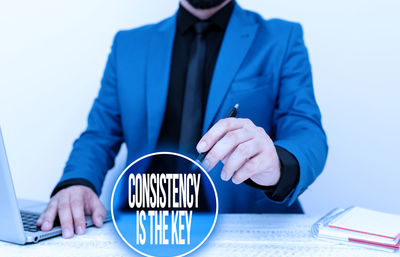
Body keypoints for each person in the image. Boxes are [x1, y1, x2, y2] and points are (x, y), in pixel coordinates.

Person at [37, 0, 328, 238]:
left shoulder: (281, 38)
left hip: (245, 231)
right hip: (147, 231)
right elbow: (100, 134)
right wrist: (77, 183)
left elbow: (307, 130)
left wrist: (277, 162)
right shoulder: (129, 45)